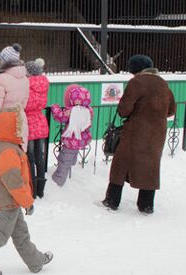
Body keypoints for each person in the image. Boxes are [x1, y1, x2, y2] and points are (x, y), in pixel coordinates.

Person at [0, 106, 53, 275]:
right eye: (19, 124)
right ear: (11, 127)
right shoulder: (8, 151)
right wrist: (27, 201)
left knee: (21, 235)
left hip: (11, 203)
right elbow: (14, 182)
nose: (23, 128)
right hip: (8, 203)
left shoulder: (7, 145)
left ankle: (36, 261)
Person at [101, 55, 176, 214]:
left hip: (135, 132)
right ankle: (146, 205)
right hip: (157, 134)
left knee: (120, 166)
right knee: (150, 167)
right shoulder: (163, 83)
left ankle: (112, 200)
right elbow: (171, 110)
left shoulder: (136, 82)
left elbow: (124, 110)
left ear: (135, 69)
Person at [50, 85, 93, 187]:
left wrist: (55, 107)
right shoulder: (89, 110)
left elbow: (60, 117)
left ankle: (58, 181)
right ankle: (71, 163)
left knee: (64, 159)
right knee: (72, 155)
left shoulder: (71, 111)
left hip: (71, 140)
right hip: (82, 139)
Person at [0, 44, 29, 147]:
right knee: (17, 153)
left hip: (4, 121)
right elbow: (24, 104)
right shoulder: (25, 79)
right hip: (20, 119)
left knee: (2, 154)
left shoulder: (1, 78)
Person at [24, 58, 50, 198]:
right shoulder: (44, 85)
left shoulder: (27, 85)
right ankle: (40, 190)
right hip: (40, 121)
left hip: (29, 123)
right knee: (40, 156)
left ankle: (32, 189)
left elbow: (26, 105)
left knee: (30, 156)